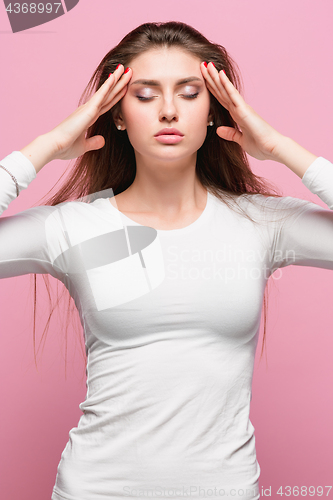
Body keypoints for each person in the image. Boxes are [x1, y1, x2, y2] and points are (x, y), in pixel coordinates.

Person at [1, 21, 332, 500]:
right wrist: (49, 146)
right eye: (145, 95)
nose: (169, 110)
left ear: (214, 109)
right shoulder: (73, 227)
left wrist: (279, 148)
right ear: (116, 115)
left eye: (190, 92)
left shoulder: (262, 223)